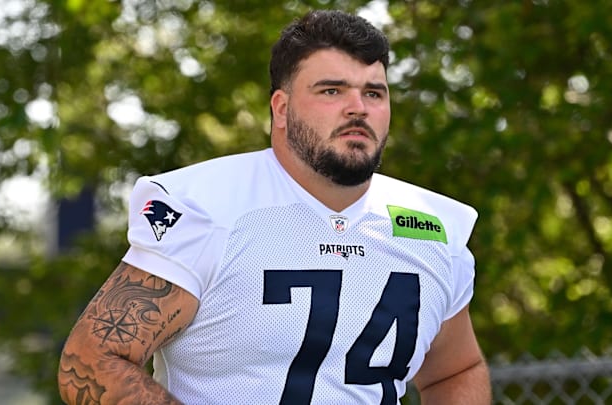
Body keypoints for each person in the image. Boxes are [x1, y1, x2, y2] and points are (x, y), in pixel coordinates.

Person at [57, 9, 491, 405]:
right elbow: (92, 359)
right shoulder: (206, 207)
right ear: (281, 109)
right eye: (332, 90)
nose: (358, 108)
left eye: (374, 94)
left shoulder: (434, 227)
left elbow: (455, 371)